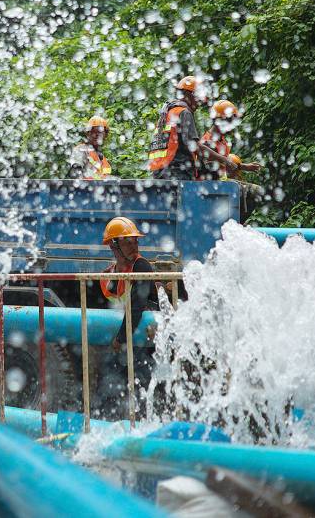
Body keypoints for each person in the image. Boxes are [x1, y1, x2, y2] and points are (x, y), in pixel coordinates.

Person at [95, 216, 159, 419]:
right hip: (128, 339)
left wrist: (120, 338)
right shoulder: (111, 275)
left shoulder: (141, 267)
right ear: (114, 246)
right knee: (109, 384)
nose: (134, 246)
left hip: (144, 340)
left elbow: (137, 304)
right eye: (127, 242)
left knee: (143, 385)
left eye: (135, 241)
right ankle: (106, 423)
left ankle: (143, 426)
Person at [149, 76, 237, 180]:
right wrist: (224, 160)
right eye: (198, 98)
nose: (199, 103)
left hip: (158, 174)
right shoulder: (184, 112)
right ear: (189, 94)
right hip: (177, 173)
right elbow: (196, 147)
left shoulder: (166, 113)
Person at [198, 100, 261, 180]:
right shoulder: (208, 143)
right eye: (230, 121)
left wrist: (245, 167)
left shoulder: (222, 140)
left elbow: (226, 163)